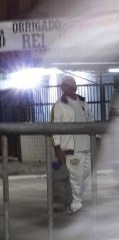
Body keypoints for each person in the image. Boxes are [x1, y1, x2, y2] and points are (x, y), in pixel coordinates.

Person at [51, 75, 93, 214]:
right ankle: (75, 205)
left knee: (85, 177)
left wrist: (96, 139)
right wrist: (57, 148)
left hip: (86, 147)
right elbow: (55, 127)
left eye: (74, 85)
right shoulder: (59, 105)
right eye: (68, 85)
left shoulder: (83, 103)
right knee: (75, 179)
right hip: (70, 149)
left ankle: (76, 201)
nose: (72, 87)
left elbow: (91, 122)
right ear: (62, 87)